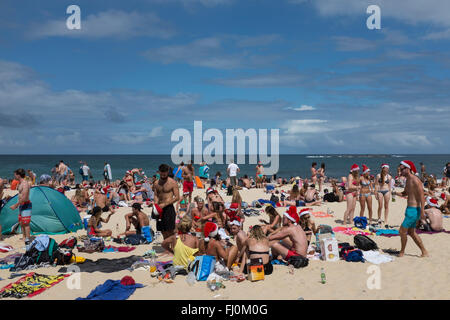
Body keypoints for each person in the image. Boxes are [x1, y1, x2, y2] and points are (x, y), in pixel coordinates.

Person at [393, 160, 428, 258]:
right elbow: (405, 193)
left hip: (414, 211)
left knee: (401, 231)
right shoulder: (408, 180)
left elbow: (422, 196)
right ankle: (424, 252)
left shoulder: (415, 180)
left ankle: (402, 252)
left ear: (408, 169)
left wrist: (422, 212)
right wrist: (395, 193)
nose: (400, 172)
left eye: (402, 170)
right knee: (412, 233)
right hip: (409, 209)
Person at [152, 164, 180, 241]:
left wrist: (164, 204)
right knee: (162, 230)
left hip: (168, 208)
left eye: (165, 173)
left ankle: (172, 248)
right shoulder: (156, 183)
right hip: (159, 208)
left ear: (167, 172)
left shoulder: (173, 182)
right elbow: (156, 195)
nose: (163, 174)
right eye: (161, 173)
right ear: (159, 172)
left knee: (170, 230)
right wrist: (155, 204)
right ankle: (167, 249)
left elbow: (177, 197)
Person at [9, 169, 32, 246]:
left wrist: (16, 205)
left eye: (15, 174)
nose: (14, 176)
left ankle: (28, 239)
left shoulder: (25, 184)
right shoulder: (20, 183)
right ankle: (24, 237)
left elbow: (25, 197)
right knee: (21, 222)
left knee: (26, 223)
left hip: (26, 204)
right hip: (22, 205)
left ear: (18, 175)